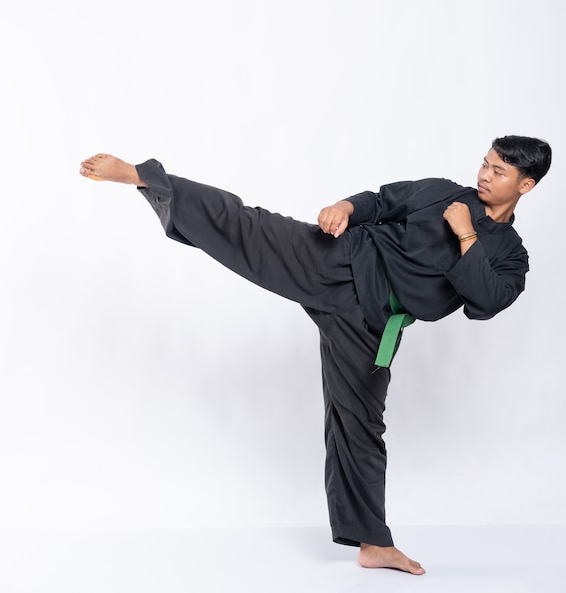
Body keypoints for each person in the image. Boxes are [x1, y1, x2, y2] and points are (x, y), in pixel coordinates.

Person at [79, 135, 551, 576]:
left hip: (372, 322)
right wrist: (344, 206)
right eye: (485, 164)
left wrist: (466, 235)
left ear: (525, 186)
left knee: (360, 424)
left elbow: (486, 303)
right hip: (339, 258)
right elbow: (383, 201)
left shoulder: (511, 255)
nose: (485, 175)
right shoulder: (443, 192)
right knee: (249, 224)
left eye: (500, 172)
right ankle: (144, 176)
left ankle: (372, 543)